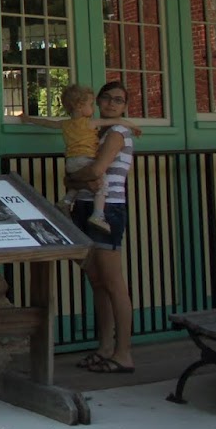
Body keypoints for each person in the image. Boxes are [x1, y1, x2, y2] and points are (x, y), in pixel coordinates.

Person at [67, 81, 136, 375]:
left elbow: (96, 171)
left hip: (108, 209)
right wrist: (78, 181)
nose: (110, 104)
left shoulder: (119, 133)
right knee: (96, 280)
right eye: (106, 98)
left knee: (113, 281)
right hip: (84, 206)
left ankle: (123, 354)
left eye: (118, 100)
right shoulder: (92, 132)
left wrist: (78, 179)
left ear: (124, 106)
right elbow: (71, 181)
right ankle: (105, 347)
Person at [20, 84, 110, 232]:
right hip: (86, 159)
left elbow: (46, 122)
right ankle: (98, 215)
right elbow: (112, 122)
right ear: (80, 106)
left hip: (71, 162)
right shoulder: (89, 122)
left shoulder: (65, 124)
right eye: (90, 104)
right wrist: (132, 125)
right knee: (102, 184)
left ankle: (66, 201)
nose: (93, 108)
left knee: (79, 181)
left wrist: (28, 118)